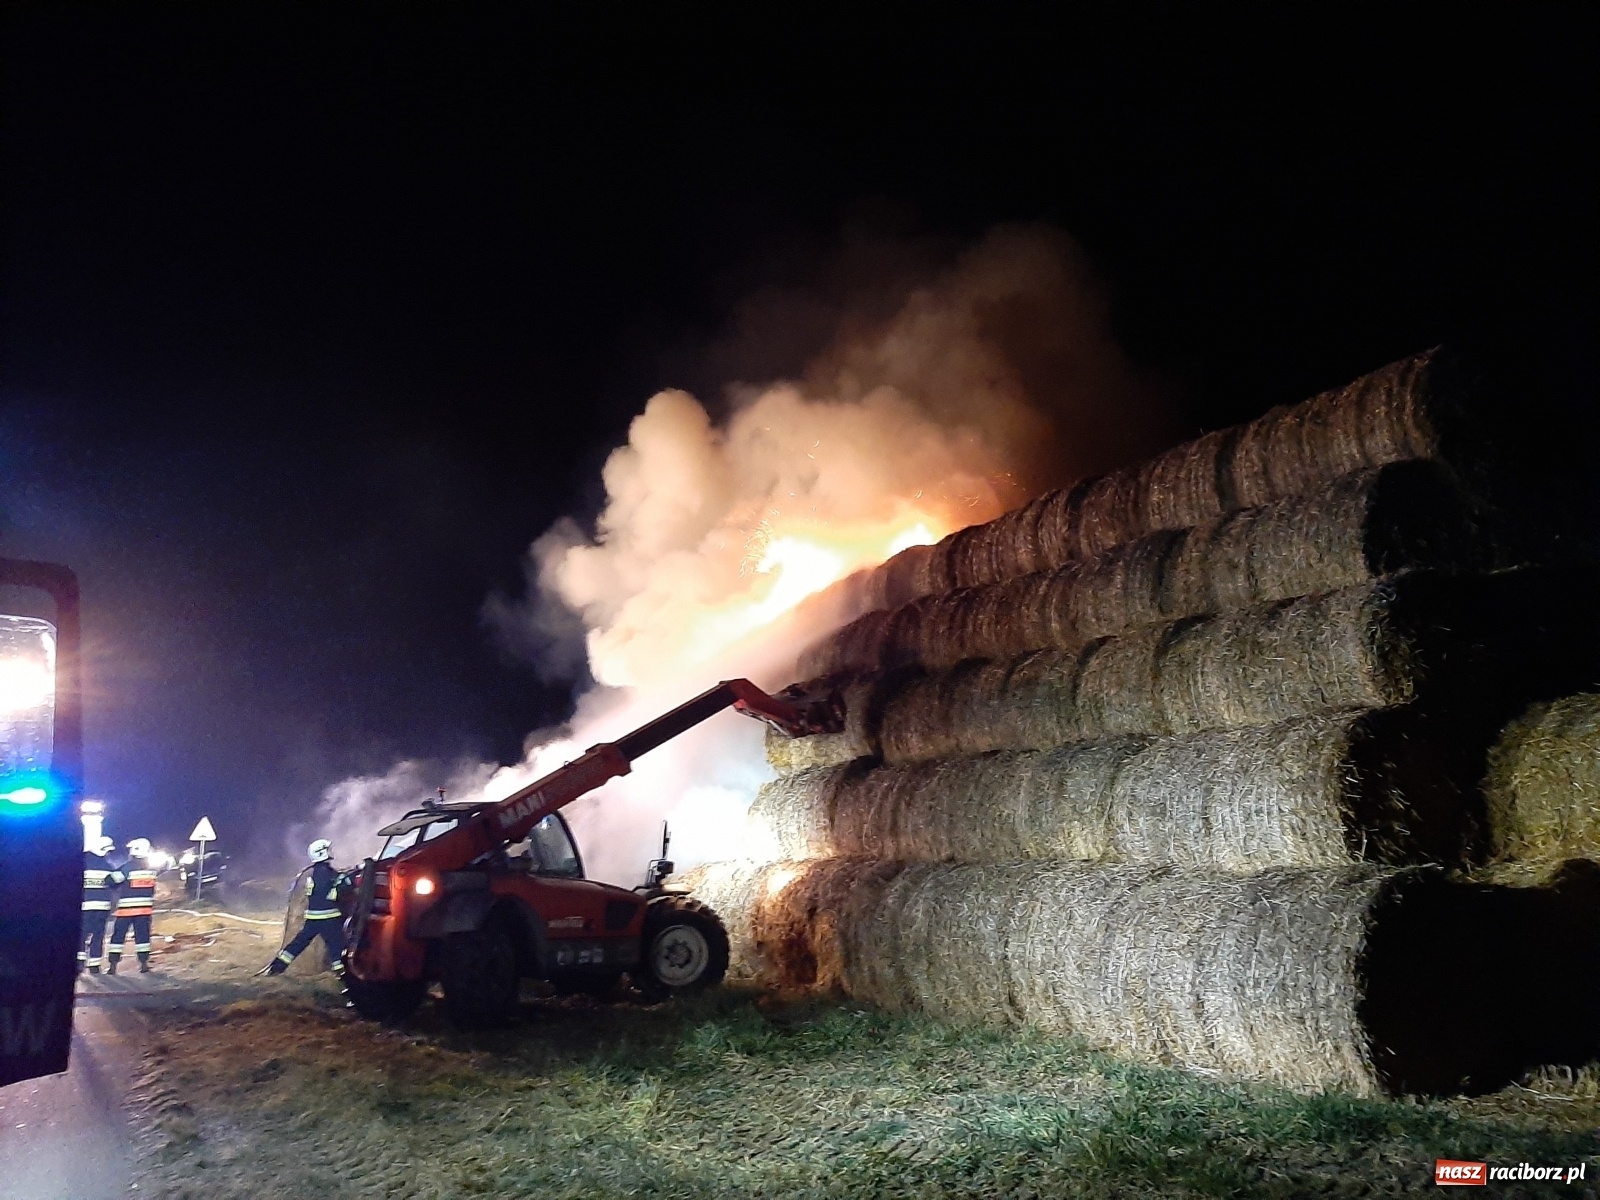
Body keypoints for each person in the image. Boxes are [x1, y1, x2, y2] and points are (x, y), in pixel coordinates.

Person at [264, 839, 347, 976]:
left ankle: (276, 968)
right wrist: (347, 878)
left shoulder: (312, 872)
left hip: (313, 918)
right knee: (337, 945)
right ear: (322, 853)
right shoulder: (328, 873)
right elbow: (344, 885)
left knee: (299, 943)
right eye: (327, 849)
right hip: (329, 917)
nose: (330, 851)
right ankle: (341, 974)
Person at [107, 836, 157, 974]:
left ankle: (112, 966)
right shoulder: (151, 867)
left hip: (126, 911)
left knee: (118, 938)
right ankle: (144, 964)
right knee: (143, 938)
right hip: (144, 911)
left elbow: (111, 880)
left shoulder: (128, 867)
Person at [79, 835, 125, 974]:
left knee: (81, 935)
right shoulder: (108, 866)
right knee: (98, 936)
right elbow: (115, 885)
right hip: (102, 907)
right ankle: (94, 966)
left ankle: (79, 964)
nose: (108, 853)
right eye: (107, 851)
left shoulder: (82, 862)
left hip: (84, 907)